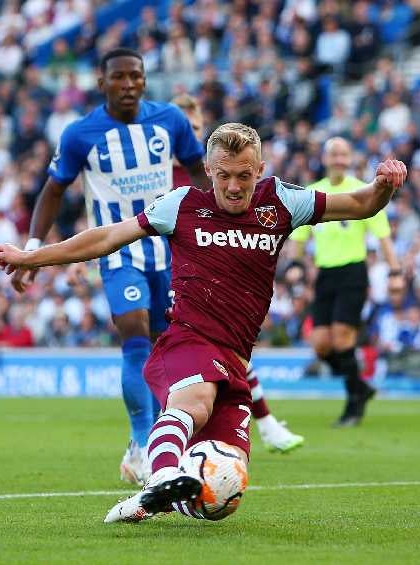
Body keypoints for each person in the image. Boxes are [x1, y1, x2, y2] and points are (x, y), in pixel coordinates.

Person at [0, 123, 408, 523]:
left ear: (259, 170)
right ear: (208, 170)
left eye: (244, 176)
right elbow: (106, 237)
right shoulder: (182, 204)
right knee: (196, 401)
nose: (233, 186)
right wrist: (30, 256)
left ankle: (152, 500)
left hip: (235, 359)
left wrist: (383, 186)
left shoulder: (281, 201)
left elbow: (361, 204)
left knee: (224, 489)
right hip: (186, 341)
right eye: (223, 175)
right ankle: (162, 476)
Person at [10, 48, 212, 485]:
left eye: (135, 76)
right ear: (102, 83)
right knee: (134, 332)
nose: (127, 84)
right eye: (118, 77)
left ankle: (162, 437)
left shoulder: (171, 121)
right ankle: (142, 442)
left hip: (169, 249)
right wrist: (31, 250)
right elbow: (53, 190)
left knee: (168, 344)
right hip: (117, 249)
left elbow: (198, 170)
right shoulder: (81, 133)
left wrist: (215, 228)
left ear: (144, 80)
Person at [170, 93, 305, 455]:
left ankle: (263, 423)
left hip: (211, 279)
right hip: (166, 274)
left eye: (195, 128)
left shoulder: (216, 172)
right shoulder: (164, 178)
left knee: (223, 354)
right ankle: (153, 444)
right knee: (182, 362)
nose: (190, 135)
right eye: (183, 129)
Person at [290, 137, 404, 427]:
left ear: (350, 158)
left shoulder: (364, 190)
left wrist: (395, 272)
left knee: (342, 339)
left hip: (353, 272)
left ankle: (353, 405)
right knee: (320, 346)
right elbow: (299, 239)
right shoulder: (313, 192)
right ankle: (360, 386)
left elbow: (382, 235)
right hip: (325, 275)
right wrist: (294, 266)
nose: (339, 159)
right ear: (326, 158)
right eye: (334, 154)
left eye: (344, 154)